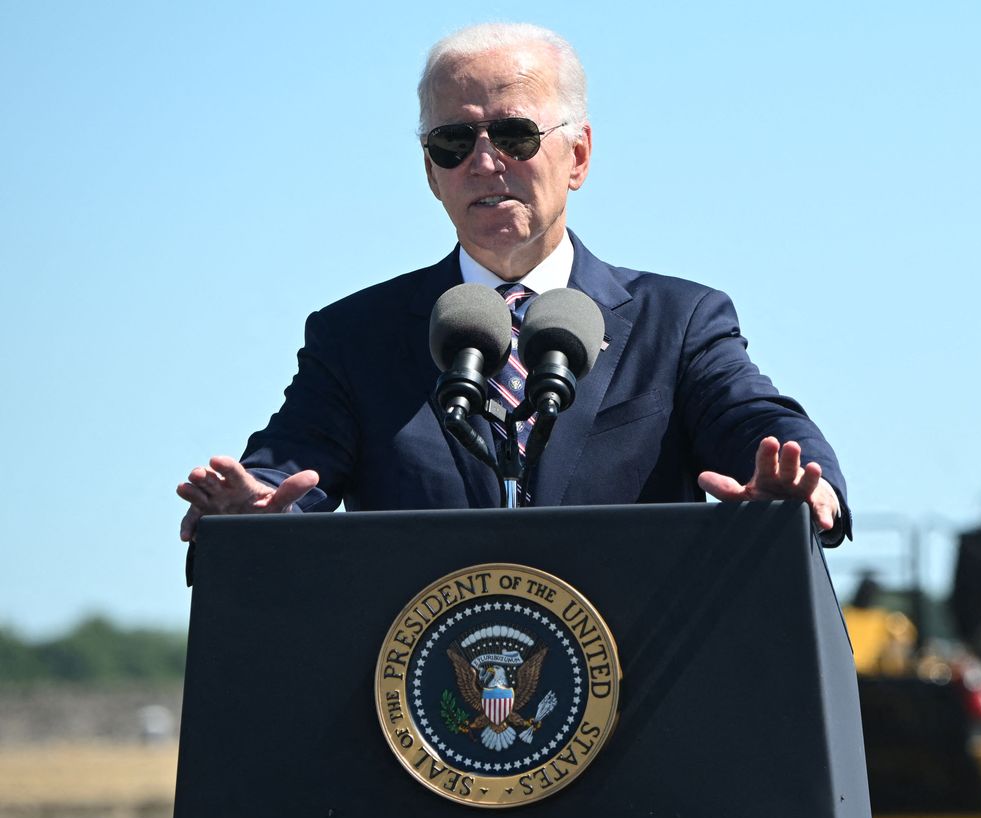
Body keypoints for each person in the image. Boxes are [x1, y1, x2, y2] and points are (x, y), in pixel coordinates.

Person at [176, 23, 846, 543]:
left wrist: (803, 484)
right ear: (430, 173)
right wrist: (253, 508)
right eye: (453, 143)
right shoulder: (356, 337)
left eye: (515, 135)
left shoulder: (678, 321)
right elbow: (290, 464)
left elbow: (754, 419)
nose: (485, 161)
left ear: (578, 155)